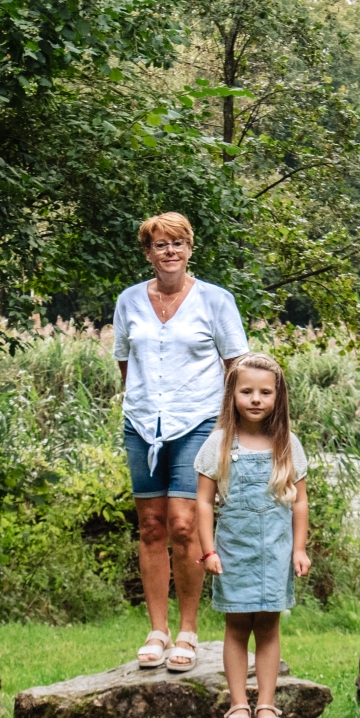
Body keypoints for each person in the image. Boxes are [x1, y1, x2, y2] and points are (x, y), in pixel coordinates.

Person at [113, 212, 249, 673]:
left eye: (178, 243)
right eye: (159, 244)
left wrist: (227, 428)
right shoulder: (129, 300)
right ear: (147, 252)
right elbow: (125, 363)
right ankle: (157, 630)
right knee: (151, 525)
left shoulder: (215, 300)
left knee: (184, 523)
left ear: (190, 248)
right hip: (143, 425)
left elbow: (237, 366)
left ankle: (188, 630)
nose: (169, 251)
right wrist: (143, 402)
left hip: (199, 423)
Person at [195, 354, 310, 718]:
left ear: (278, 396)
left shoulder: (287, 444)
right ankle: (237, 704)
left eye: (265, 392)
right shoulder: (219, 444)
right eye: (247, 391)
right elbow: (204, 503)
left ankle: (265, 704)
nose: (256, 399)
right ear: (232, 395)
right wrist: (208, 550)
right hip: (234, 552)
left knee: (269, 625)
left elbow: (300, 501)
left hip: (275, 552)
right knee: (236, 625)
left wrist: (299, 549)